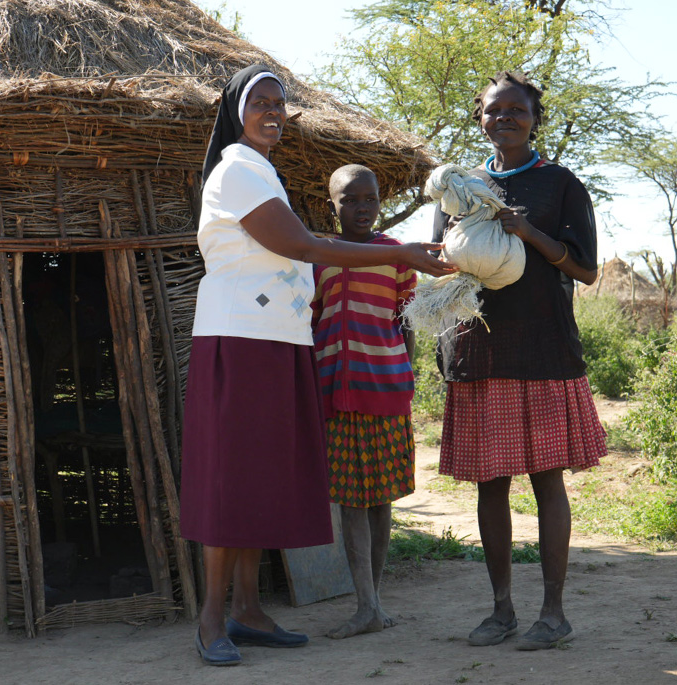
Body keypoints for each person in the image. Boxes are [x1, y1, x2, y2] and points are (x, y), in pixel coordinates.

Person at [180, 65, 455, 667]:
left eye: (282, 103)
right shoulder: (235, 173)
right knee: (230, 478)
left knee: (261, 475)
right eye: (262, 103)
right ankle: (210, 620)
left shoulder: (263, 174)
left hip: (279, 340)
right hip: (239, 337)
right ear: (237, 110)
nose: (274, 112)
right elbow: (302, 246)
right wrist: (399, 252)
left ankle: (248, 609)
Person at [431, 71, 607, 651]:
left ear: (536, 119)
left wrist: (527, 231)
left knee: (546, 481)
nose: (503, 118)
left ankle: (553, 613)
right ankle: (501, 610)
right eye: (492, 111)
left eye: (516, 110)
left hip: (541, 351)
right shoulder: (460, 185)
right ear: (478, 119)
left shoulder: (559, 185)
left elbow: (584, 269)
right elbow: (443, 263)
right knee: (490, 486)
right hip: (479, 349)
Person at [311, 165, 416, 639]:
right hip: (335, 391)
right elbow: (309, 325)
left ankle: (372, 604)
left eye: (370, 199)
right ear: (330, 205)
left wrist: (405, 376)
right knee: (351, 500)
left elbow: (407, 321)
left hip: (386, 389)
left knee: (381, 497)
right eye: (350, 200)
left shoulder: (397, 255)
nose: (362, 208)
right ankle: (367, 605)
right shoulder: (317, 256)